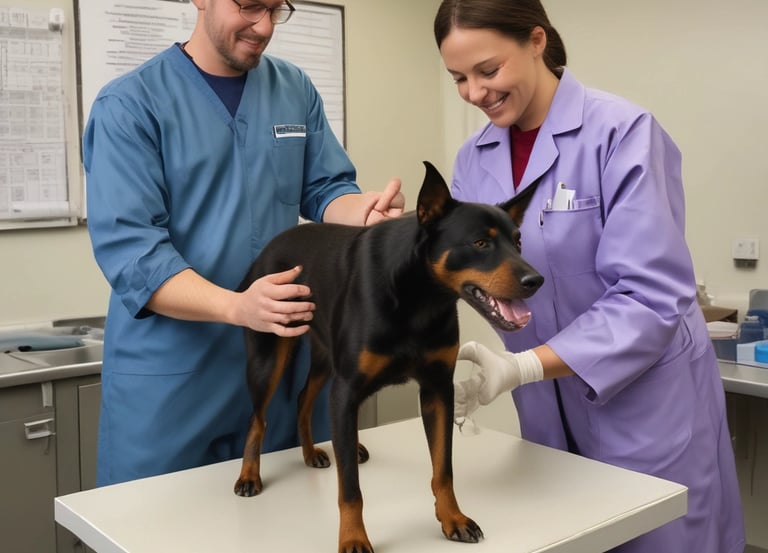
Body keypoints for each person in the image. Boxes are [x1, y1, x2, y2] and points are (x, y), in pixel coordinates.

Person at [434, 1, 745, 552]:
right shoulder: (473, 160)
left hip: (646, 401)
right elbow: (473, 270)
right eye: (459, 78)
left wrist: (524, 365)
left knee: (659, 539)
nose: (475, 92)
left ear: (536, 41)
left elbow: (650, 295)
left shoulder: (622, 133)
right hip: (545, 407)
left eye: (488, 70)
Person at [84, 0, 404, 486]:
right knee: (162, 518)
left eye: (276, 9)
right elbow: (134, 253)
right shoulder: (129, 105)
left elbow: (325, 188)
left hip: (278, 367)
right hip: (174, 381)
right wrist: (238, 307)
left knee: (293, 513)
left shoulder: (293, 88)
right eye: (251, 5)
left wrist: (362, 212)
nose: (264, 25)